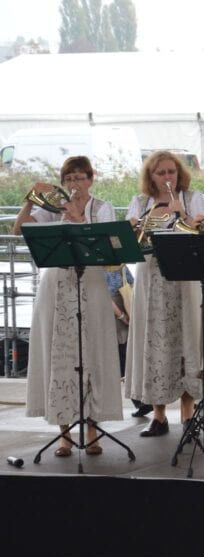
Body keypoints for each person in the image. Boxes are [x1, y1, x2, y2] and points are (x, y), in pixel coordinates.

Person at [16, 156, 122, 455]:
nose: (74, 184)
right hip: (57, 285)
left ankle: (92, 431)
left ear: (90, 179)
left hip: (91, 284)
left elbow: (110, 249)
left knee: (91, 352)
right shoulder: (51, 209)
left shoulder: (102, 207)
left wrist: (77, 217)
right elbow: (19, 230)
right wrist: (29, 200)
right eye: (69, 179)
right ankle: (64, 433)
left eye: (80, 177)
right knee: (58, 352)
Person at [125, 150, 204, 437]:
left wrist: (181, 213)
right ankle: (158, 416)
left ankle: (188, 415)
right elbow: (129, 242)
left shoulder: (191, 198)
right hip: (151, 278)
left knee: (186, 339)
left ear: (179, 174)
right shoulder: (139, 202)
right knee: (155, 341)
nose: (167, 177)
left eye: (171, 172)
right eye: (160, 173)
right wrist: (136, 227)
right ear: (151, 176)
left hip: (185, 277)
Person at [106, 265, 150, 418]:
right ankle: (141, 400)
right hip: (127, 311)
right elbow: (133, 285)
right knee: (127, 356)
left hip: (114, 317)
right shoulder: (121, 265)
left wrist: (120, 316)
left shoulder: (98, 267)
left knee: (121, 359)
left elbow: (104, 295)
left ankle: (140, 401)